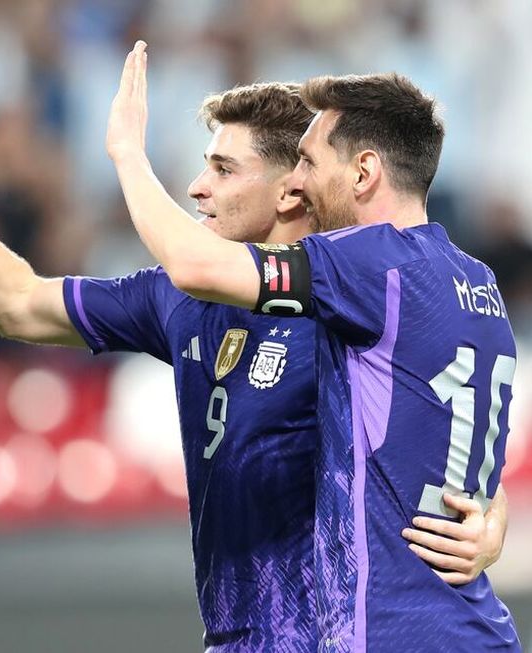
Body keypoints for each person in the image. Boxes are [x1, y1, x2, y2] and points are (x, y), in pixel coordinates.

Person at [0, 73, 507, 650]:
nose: (198, 187)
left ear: (289, 191)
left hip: (337, 638)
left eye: (224, 170)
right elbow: (14, 303)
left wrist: (490, 519)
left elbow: (445, 426)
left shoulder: (357, 291)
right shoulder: (182, 302)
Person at [105, 42, 520, 650]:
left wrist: (124, 153)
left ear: (364, 171)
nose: (297, 182)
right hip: (473, 629)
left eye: (307, 161)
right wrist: (493, 518)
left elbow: (195, 264)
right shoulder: (473, 281)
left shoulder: (371, 263)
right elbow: (445, 437)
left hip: (393, 634)